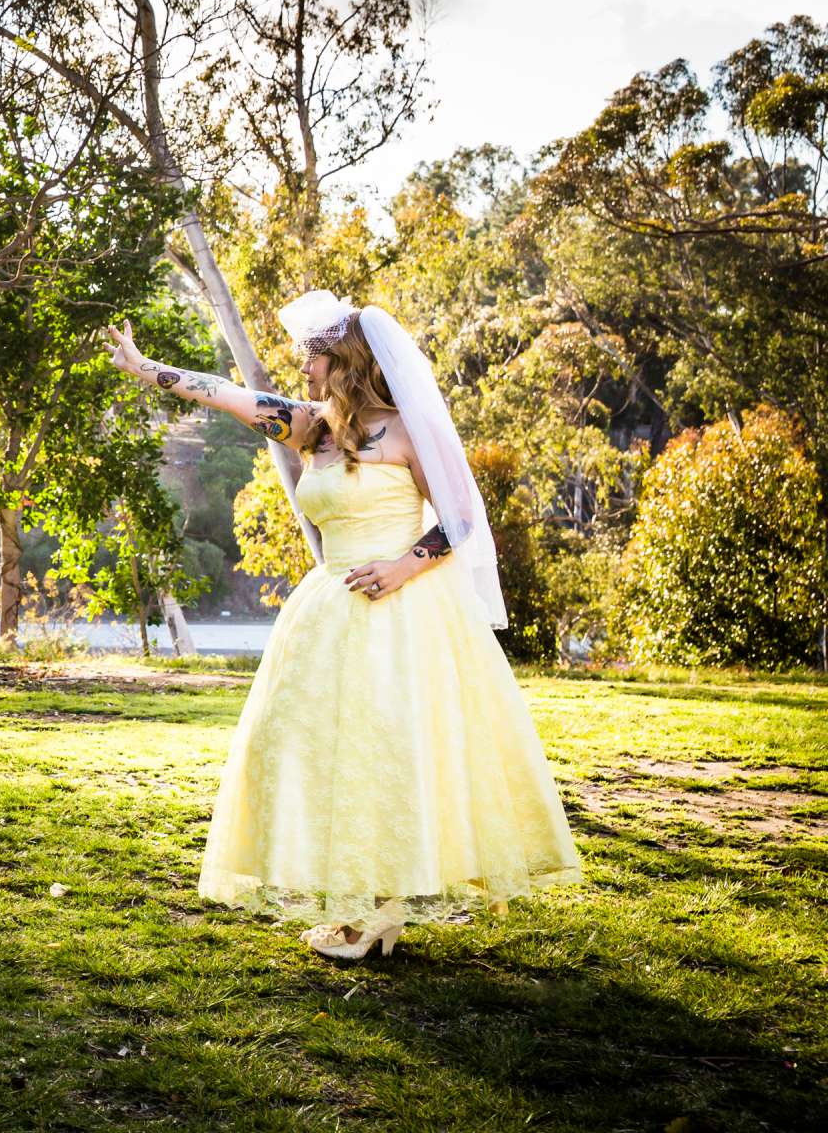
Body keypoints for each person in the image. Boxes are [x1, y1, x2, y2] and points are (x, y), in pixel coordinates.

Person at [101, 291, 581, 959]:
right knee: (310, 747)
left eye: (313, 356)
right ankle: (368, 906)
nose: (303, 368)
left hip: (405, 611)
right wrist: (146, 366)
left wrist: (401, 567)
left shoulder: (410, 431)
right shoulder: (311, 429)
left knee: (390, 749)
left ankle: (372, 917)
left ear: (345, 360)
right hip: (329, 611)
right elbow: (225, 394)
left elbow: (464, 519)